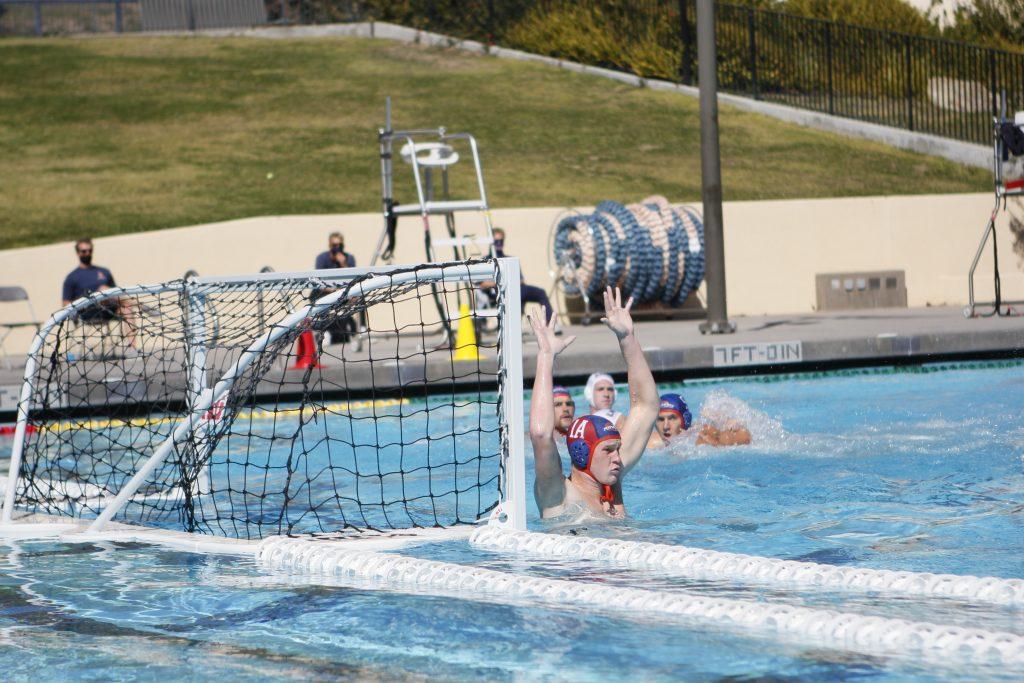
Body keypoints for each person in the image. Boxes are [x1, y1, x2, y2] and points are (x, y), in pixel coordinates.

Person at [528, 287, 659, 518]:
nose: (618, 457)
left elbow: (646, 407)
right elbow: (540, 435)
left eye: (617, 449)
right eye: (608, 450)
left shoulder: (611, 480)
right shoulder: (558, 495)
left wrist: (627, 338)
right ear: (581, 453)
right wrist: (546, 357)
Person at [61, 237, 134, 352]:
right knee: (102, 289)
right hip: (88, 312)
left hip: (108, 310)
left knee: (127, 307)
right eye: (84, 251)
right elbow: (65, 304)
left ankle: (133, 349)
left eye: (90, 250)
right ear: (78, 253)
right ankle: (142, 306)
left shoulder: (104, 271)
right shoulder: (72, 277)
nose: (87, 253)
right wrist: (85, 299)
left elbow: (115, 292)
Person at [490, 228, 556, 328]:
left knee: (540, 292)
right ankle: (513, 325)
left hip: (516, 288)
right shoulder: (486, 260)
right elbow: (481, 284)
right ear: (491, 242)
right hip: (498, 291)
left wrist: (511, 282)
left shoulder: (510, 260)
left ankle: (551, 325)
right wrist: (502, 282)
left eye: (501, 241)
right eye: (496, 241)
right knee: (516, 296)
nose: (499, 243)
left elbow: (521, 280)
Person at [647, 392, 752, 449]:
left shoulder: (702, 435)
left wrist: (726, 421)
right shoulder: (650, 442)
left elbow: (745, 437)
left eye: (672, 418)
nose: (665, 426)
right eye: (660, 419)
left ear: (685, 420)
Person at [313, 232, 360, 348]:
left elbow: (352, 280)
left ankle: (359, 331)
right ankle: (324, 331)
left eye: (340, 245)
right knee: (320, 300)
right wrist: (334, 291)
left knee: (359, 297)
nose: (337, 248)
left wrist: (343, 264)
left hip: (343, 293)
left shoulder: (349, 258)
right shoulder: (322, 258)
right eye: (334, 245)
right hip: (325, 292)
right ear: (330, 246)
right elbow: (320, 282)